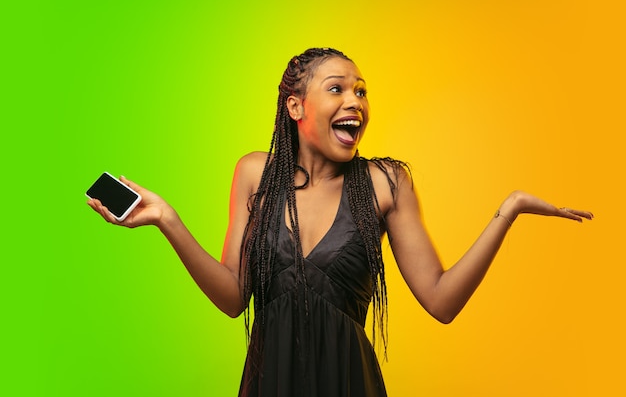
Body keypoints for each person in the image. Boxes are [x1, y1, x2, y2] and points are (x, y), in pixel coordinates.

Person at [87, 47, 593, 397]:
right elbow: (233, 297)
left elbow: (441, 302)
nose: (355, 102)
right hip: (269, 383)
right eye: (338, 89)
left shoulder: (385, 183)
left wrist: (509, 211)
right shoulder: (253, 173)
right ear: (296, 106)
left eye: (361, 91)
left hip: (350, 382)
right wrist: (168, 222)